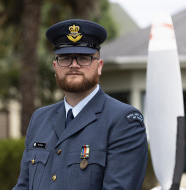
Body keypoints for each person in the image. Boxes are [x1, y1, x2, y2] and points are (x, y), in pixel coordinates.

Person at [13, 19, 148, 190]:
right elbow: (23, 186)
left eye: (84, 58)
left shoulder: (124, 121)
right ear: (55, 67)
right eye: (65, 58)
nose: (74, 65)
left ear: (99, 66)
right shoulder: (40, 119)